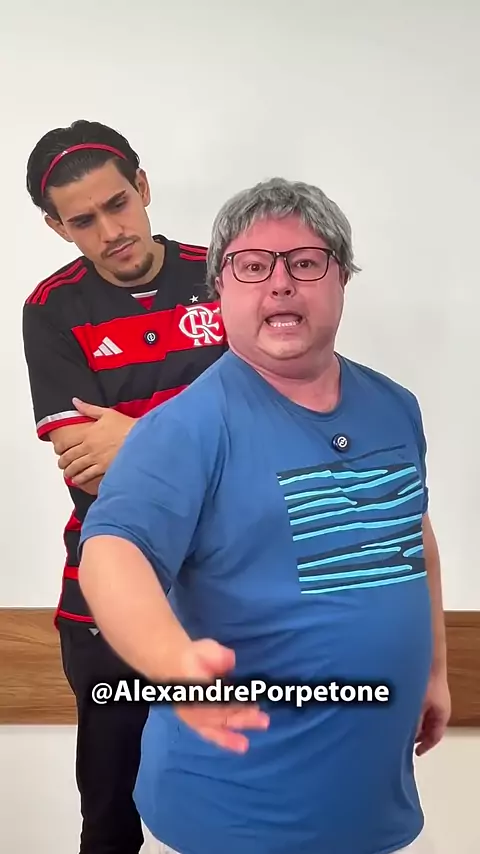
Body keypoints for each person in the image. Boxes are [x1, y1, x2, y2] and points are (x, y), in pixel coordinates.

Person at [77, 177, 450, 854]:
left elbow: (411, 534)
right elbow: (112, 550)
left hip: (370, 809)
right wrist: (172, 661)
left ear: (342, 278)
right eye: (252, 266)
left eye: (305, 263)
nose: (280, 284)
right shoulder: (186, 427)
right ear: (221, 288)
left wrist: (433, 670)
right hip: (234, 817)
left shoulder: (395, 407)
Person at [21, 119, 227, 854]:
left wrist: (134, 435)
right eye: (83, 221)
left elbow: (272, 429)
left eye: (118, 204)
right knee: (109, 816)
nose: (111, 231)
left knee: (243, 802)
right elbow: (86, 461)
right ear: (57, 227)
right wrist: (206, 429)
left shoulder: (227, 274)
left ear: (142, 187)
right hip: (106, 589)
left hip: (229, 579)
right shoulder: (51, 309)